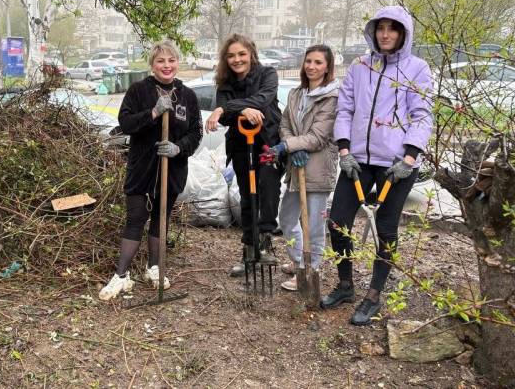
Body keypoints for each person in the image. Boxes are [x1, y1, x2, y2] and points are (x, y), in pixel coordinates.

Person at [322, 5, 433, 325]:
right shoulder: (359, 66)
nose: (385, 34)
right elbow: (344, 110)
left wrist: (409, 157)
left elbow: (421, 116)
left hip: (396, 163)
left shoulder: (417, 69)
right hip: (357, 160)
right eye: (381, 28)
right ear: (374, 31)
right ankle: (345, 285)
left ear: (403, 34)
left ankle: (373, 294)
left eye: (393, 28)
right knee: (337, 222)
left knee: (385, 228)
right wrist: (344, 150)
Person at [99, 40, 202, 301]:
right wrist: (153, 113)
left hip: (172, 171)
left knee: (160, 218)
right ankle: (121, 276)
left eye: (171, 60)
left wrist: (179, 148)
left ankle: (154, 268)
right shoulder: (138, 91)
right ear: (152, 65)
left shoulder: (187, 96)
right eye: (160, 61)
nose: (166, 66)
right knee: (135, 218)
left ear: (177, 63)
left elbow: (196, 132)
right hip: (142, 169)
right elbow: (125, 123)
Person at [205, 33, 282, 275]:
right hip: (240, 145)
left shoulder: (267, 74)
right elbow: (226, 116)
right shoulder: (225, 84)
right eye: (231, 56)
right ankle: (249, 250)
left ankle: (266, 241)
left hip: (269, 142)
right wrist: (242, 109)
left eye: (241, 54)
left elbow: (264, 98)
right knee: (247, 197)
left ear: (251, 54)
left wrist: (227, 107)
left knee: (268, 189)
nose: (236, 59)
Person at [272, 45, 339, 291]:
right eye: (308, 61)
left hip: (318, 169)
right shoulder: (295, 94)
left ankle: (310, 271)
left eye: (318, 62)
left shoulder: (331, 98)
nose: (312, 66)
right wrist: (292, 146)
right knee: (288, 218)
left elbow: (319, 136)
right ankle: (300, 261)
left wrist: (288, 146)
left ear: (327, 67)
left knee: (313, 226)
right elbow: (285, 124)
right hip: (296, 168)